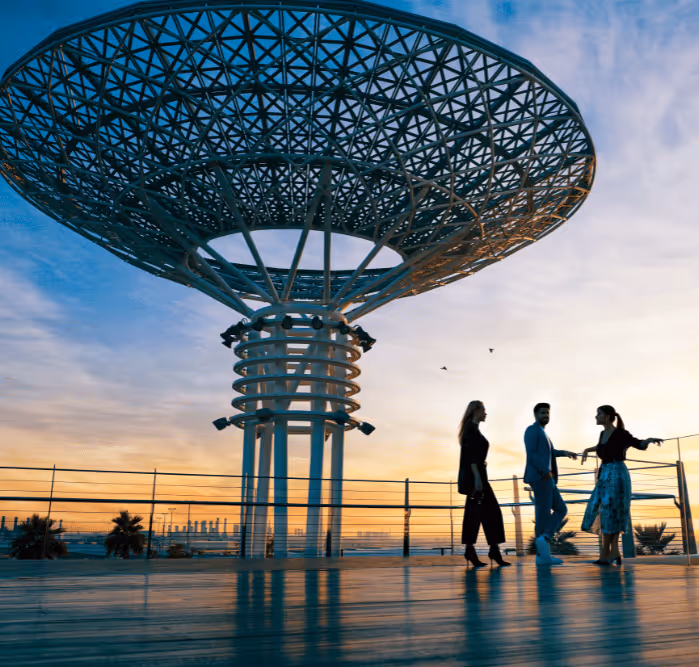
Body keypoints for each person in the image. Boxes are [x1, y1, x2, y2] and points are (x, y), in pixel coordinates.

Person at [580, 405, 663, 565]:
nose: (596, 417)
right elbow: (601, 448)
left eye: (598, 414)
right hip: (604, 474)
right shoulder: (603, 433)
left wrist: (649, 440)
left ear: (607, 416)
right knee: (604, 511)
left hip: (617, 474)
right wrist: (587, 450)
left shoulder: (621, 433)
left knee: (612, 512)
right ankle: (613, 553)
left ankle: (608, 554)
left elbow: (638, 444)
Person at [458, 400, 510, 568]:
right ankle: (481, 550)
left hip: (480, 476)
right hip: (477, 479)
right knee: (484, 513)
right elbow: (470, 459)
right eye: (484, 410)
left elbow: (476, 457)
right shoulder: (470, 430)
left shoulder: (474, 430)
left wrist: (482, 466)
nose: (486, 413)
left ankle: (480, 550)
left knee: (482, 513)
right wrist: (478, 480)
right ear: (475, 411)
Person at [524, 403, 578, 565]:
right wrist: (544, 472)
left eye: (548, 412)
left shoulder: (544, 433)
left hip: (549, 479)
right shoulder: (531, 430)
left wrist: (564, 453)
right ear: (535, 414)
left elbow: (549, 453)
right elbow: (531, 454)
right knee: (543, 514)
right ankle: (542, 556)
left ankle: (545, 539)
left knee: (561, 508)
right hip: (541, 478)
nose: (546, 415)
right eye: (543, 412)